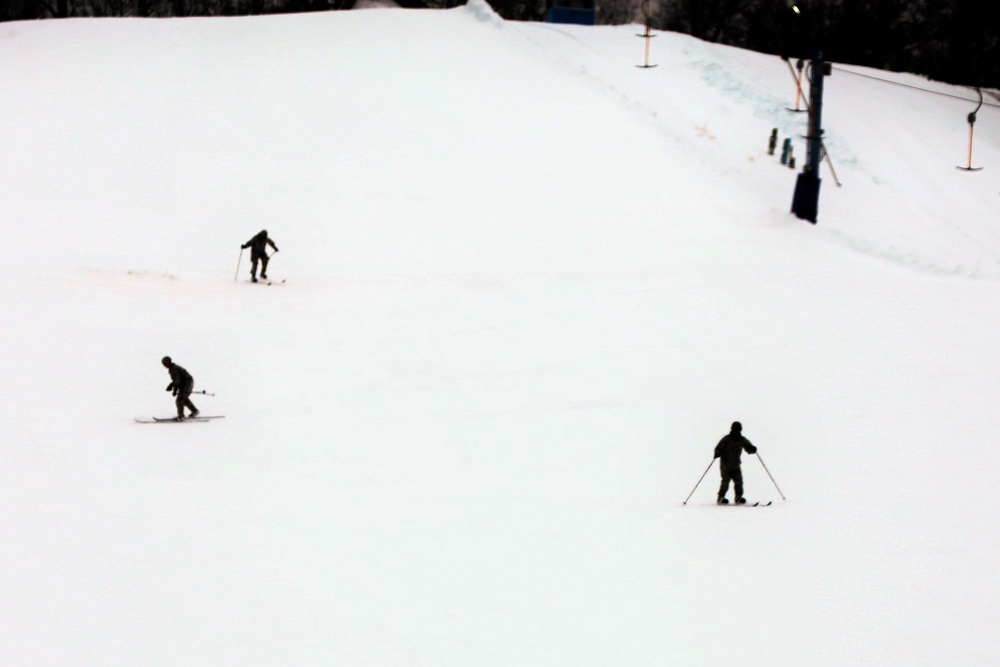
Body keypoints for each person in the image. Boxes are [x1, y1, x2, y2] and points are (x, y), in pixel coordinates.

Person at [714, 421, 757, 504]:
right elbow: (718, 447)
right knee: (725, 480)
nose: (737, 432)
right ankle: (721, 497)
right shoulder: (726, 439)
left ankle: (738, 496)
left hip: (736, 464)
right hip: (725, 464)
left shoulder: (742, 440)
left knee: (738, 481)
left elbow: (748, 447)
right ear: (732, 430)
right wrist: (717, 453)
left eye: (739, 430)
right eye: (736, 430)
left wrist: (752, 449)